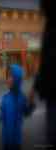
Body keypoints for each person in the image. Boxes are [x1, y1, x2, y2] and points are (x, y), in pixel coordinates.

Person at [31, 0, 56, 148]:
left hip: (53, 92)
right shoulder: (49, 27)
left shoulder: (51, 28)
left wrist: (35, 87)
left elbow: (48, 61)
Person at [0, 64, 34, 150]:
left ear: (17, 79)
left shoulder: (22, 98)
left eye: (11, 76)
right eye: (7, 76)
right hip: (6, 141)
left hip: (16, 142)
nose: (8, 79)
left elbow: (26, 113)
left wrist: (31, 104)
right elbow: (2, 117)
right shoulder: (5, 98)